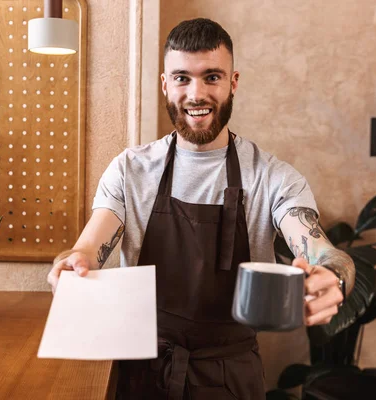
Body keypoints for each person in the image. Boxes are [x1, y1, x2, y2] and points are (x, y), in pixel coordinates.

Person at [47, 18, 355, 400]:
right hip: (141, 369)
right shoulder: (130, 170)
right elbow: (89, 248)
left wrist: (335, 276)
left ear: (233, 82)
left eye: (212, 77)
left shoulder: (273, 177)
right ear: (165, 83)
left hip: (231, 375)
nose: (197, 94)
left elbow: (323, 251)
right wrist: (72, 262)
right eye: (182, 78)